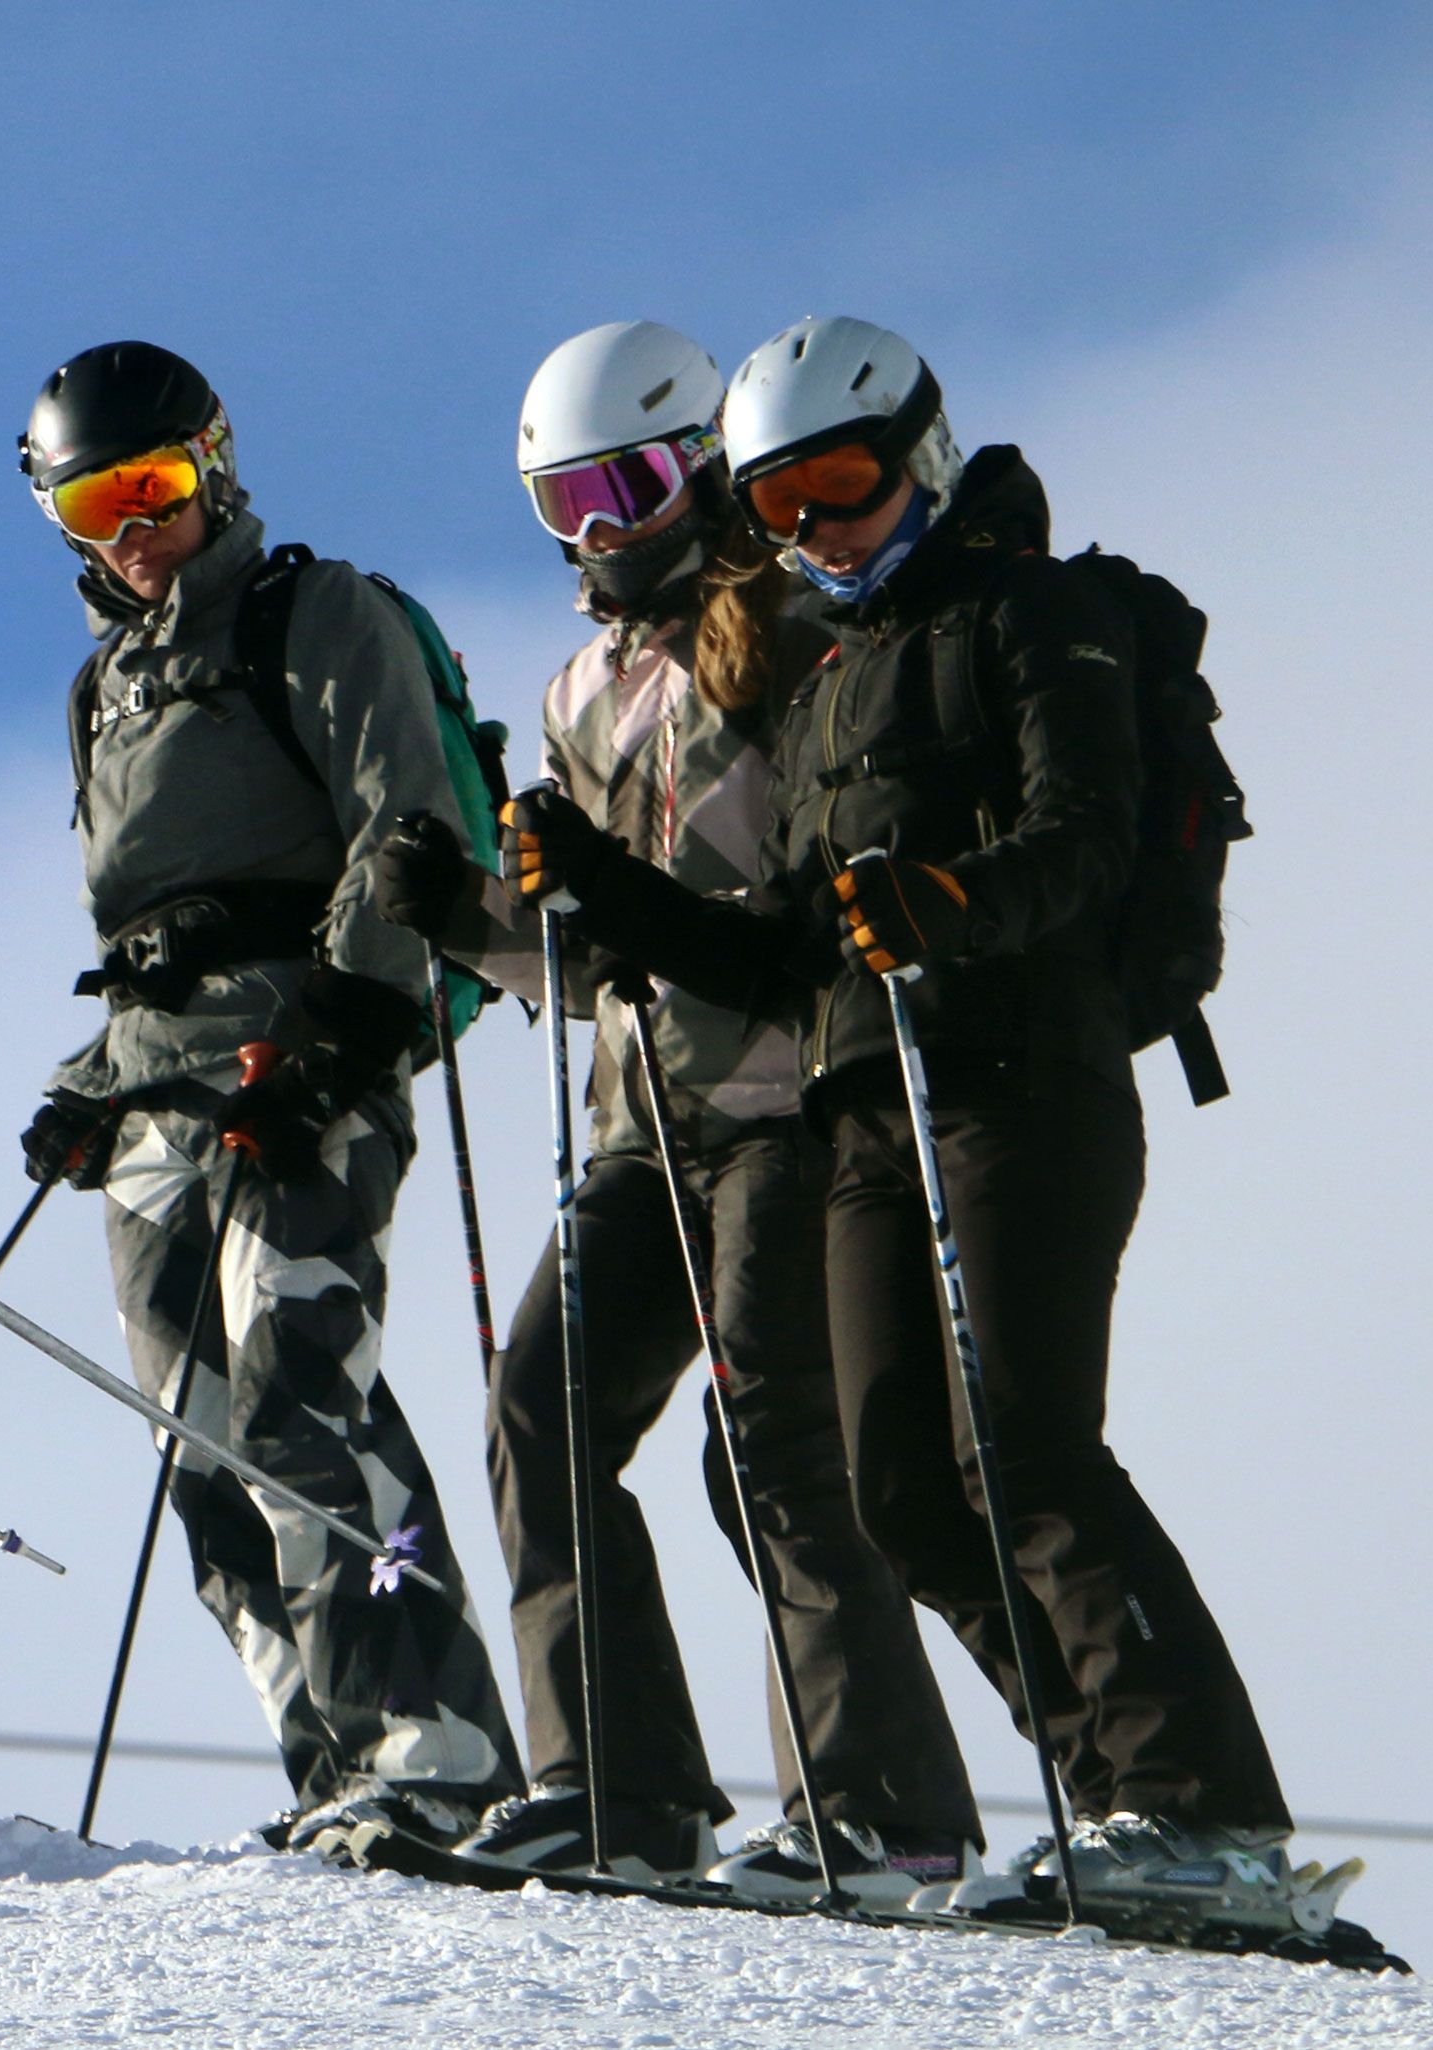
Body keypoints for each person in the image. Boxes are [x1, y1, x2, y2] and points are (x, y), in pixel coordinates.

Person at [502, 316, 1320, 1931]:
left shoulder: (1037, 610)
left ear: (920, 456)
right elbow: (780, 952)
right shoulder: (828, 687)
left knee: (1020, 1440)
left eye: (847, 482)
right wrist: (596, 886)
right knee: (899, 1486)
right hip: (865, 1103)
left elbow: (1081, 834)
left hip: (1025, 1073)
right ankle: (1113, 1805)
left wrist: (954, 898)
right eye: (782, 498)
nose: (819, 524)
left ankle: (1207, 1811)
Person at [363, 321, 980, 1900]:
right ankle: (620, 1788)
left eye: (629, 484)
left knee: (772, 1440)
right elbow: (582, 957)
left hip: (787, 1100)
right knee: (542, 1409)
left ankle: (884, 1808)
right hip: (646, 1111)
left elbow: (789, 883)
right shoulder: (579, 688)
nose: (600, 531)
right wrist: (461, 911)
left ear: (702, 462)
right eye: (563, 502)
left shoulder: (789, 625)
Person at [9, 340, 522, 1857]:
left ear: (215, 465)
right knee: (205, 1441)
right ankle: (330, 1761)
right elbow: (143, 935)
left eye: (156, 489)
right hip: (162, 1092)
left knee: (307, 1390)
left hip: (302, 1061)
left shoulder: (314, 613)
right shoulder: (101, 690)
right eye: (92, 506)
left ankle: (434, 1746)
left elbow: (402, 819)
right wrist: (89, 1084)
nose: (133, 532)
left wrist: (353, 1029)